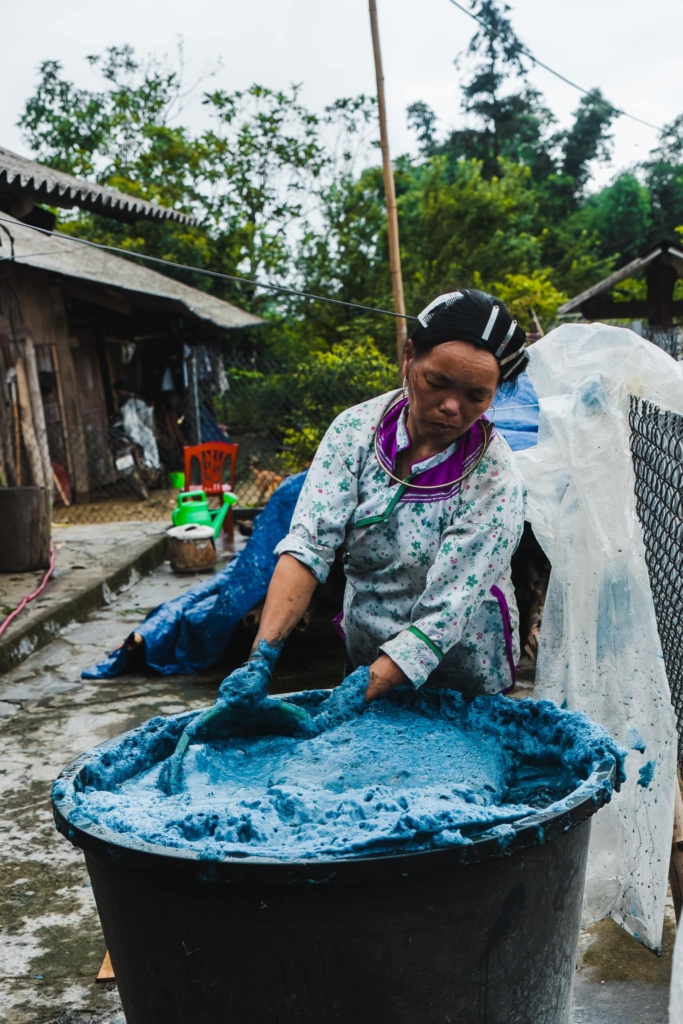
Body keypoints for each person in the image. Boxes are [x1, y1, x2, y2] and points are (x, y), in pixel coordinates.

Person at [242, 289, 528, 703]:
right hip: (367, 648)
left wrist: (350, 700)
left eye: (476, 396)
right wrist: (259, 662)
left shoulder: (495, 479)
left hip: (465, 665)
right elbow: (307, 549)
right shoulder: (353, 432)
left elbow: (444, 614)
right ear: (409, 356)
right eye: (437, 382)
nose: (451, 406)